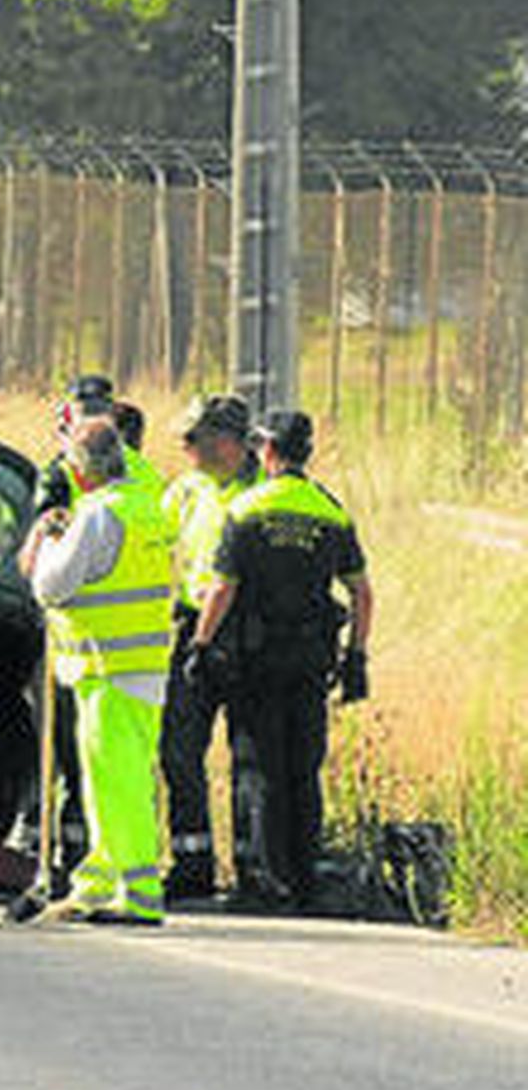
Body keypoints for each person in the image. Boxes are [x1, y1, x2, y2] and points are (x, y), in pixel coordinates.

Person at [186, 410, 373, 910]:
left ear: (267, 450)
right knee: (304, 767)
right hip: (312, 658)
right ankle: (305, 878)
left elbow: (223, 588)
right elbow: (362, 592)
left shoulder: (247, 508)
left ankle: (268, 882)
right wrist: (357, 657)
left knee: (260, 766)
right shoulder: (329, 510)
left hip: (257, 658)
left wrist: (200, 645)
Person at [20, 417, 175, 924]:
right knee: (114, 777)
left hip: (107, 663)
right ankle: (97, 882)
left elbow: (51, 585)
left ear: (82, 471)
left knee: (116, 782)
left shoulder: (98, 515)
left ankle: (139, 892)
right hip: (142, 661)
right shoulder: (146, 505)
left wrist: (48, 538)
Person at [159, 393, 261, 901]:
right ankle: (192, 862)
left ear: (227, 442)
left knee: (249, 755)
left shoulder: (264, 491)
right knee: (178, 747)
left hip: (248, 633)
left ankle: (251, 868)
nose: (185, 447)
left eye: (193, 438)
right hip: (192, 628)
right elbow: (154, 539)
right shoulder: (186, 489)